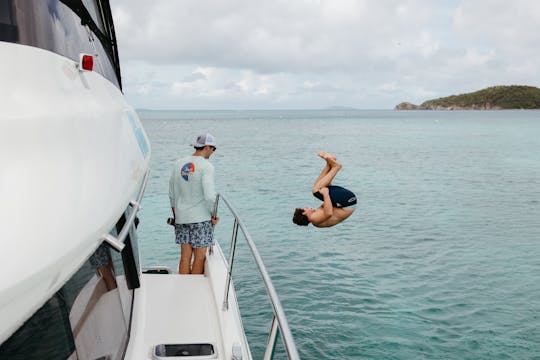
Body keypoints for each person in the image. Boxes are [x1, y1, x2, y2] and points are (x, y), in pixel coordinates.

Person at [169, 133, 219, 274]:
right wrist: (213, 215)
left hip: (181, 217)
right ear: (207, 147)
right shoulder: (206, 166)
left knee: (185, 257)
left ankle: (184, 288)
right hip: (201, 219)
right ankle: (193, 292)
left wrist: (176, 215)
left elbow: (171, 194)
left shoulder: (178, 164)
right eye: (213, 149)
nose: (213, 152)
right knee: (199, 257)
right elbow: (209, 196)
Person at [293, 152, 356, 228]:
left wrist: (325, 191)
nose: (307, 207)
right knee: (315, 190)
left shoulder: (316, 217)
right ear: (304, 213)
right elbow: (329, 213)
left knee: (318, 187)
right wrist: (325, 194)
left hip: (347, 202)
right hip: (346, 203)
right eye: (305, 208)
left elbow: (329, 207)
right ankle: (335, 167)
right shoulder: (314, 219)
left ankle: (329, 164)